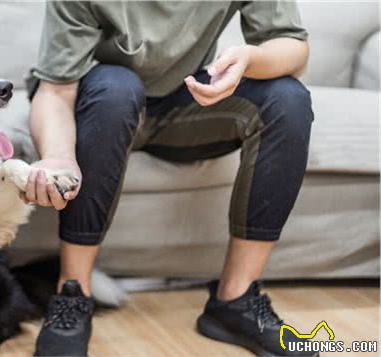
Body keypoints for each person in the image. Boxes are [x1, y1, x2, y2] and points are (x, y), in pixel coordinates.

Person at [24, 2, 314, 356]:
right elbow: (55, 90)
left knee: (288, 99)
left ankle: (235, 301)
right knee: (116, 86)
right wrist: (57, 157)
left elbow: (293, 47)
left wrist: (249, 59)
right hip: (104, 105)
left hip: (189, 102)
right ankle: (72, 296)